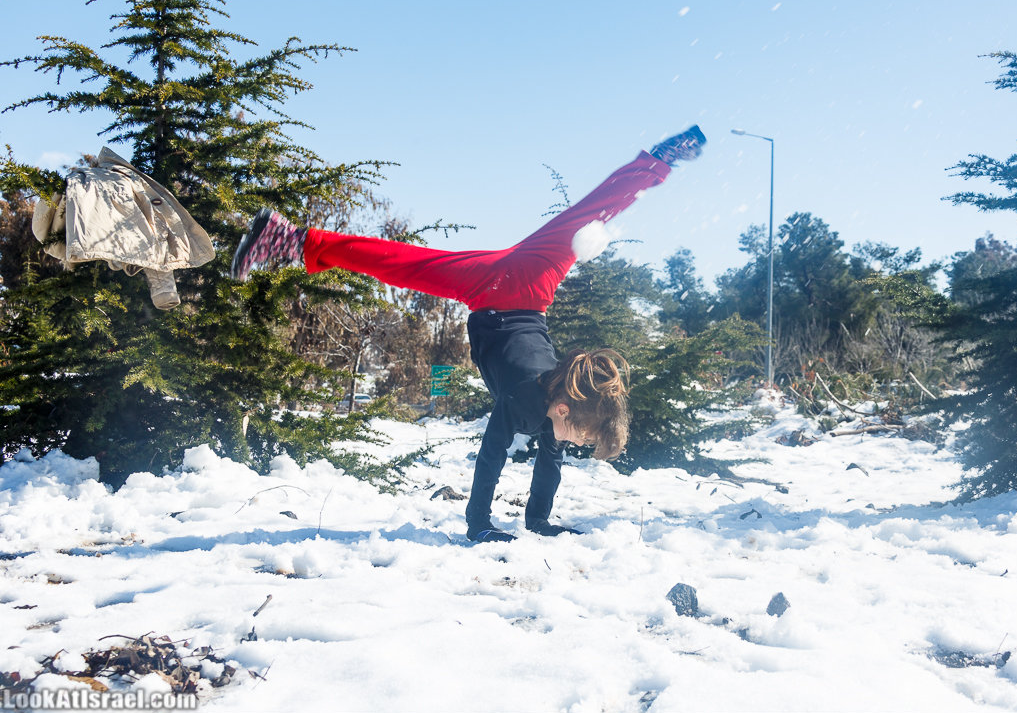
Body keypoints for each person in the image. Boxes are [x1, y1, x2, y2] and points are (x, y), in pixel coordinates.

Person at [230, 125, 707, 542]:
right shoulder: (525, 401)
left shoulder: (557, 407)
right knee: (408, 265)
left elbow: (549, 466)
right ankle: (288, 239)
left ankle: (288, 238)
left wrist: (538, 522)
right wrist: (479, 523)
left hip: (526, 288)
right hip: (509, 289)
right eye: (580, 437)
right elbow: (490, 458)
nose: (574, 444)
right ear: (566, 410)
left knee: (583, 216)